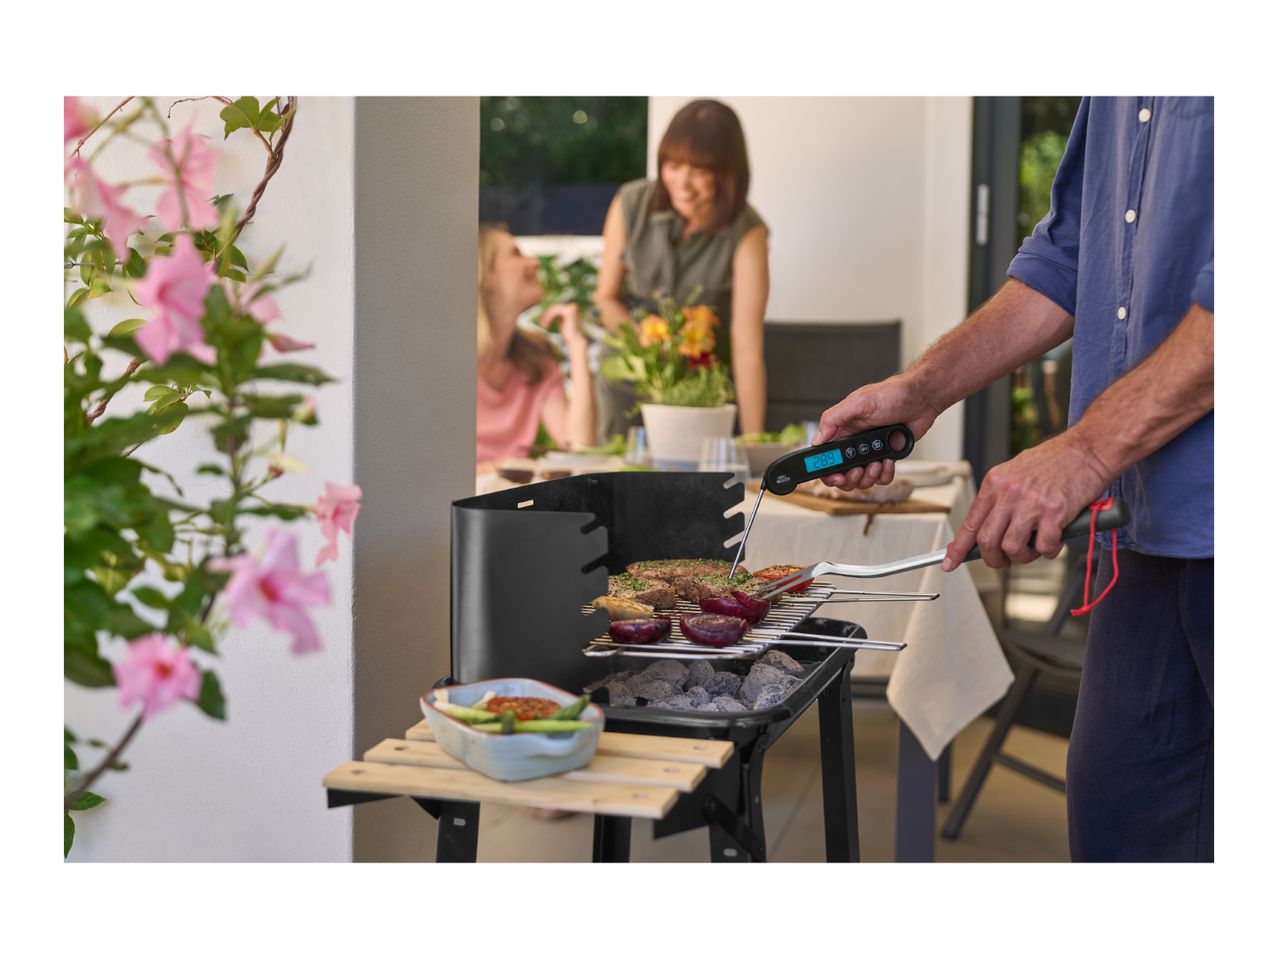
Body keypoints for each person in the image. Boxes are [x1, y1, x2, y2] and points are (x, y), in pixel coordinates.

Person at [812, 97, 1214, 862]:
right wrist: (922, 389)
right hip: (1144, 529)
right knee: (1114, 826)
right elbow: (1068, 253)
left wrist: (1086, 450)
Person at [594, 98, 770, 436]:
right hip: (627, 375)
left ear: (727, 173)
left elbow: (747, 347)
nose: (682, 182)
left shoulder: (747, 232)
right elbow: (606, 298)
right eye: (673, 165)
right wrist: (646, 346)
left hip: (699, 389)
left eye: (699, 171)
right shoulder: (630, 202)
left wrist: (752, 444)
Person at [476, 224, 596, 470]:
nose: (535, 263)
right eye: (516, 254)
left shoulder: (534, 358)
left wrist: (578, 346)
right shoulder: (449, 360)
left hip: (506, 502)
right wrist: (503, 466)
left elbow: (580, 447)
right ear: (486, 275)